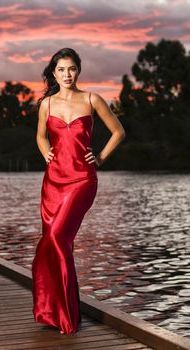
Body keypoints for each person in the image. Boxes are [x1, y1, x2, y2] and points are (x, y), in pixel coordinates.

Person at [32, 47, 126, 335]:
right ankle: (53, 310)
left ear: (78, 70)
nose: (67, 74)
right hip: (53, 182)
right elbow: (40, 135)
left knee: (58, 237)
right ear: (54, 73)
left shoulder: (91, 99)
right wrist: (46, 151)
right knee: (55, 240)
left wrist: (100, 158)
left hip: (82, 180)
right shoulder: (47, 104)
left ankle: (65, 315)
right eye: (61, 69)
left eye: (71, 68)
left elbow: (119, 132)